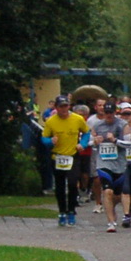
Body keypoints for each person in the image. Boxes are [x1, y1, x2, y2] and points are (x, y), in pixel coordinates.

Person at [42, 94, 90, 226]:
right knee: (60, 186)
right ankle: (62, 211)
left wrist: (83, 144)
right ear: (56, 108)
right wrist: (50, 141)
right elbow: (44, 138)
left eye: (66, 106)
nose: (64, 109)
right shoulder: (51, 121)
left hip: (72, 156)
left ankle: (72, 211)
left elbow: (86, 132)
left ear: (69, 106)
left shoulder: (78, 119)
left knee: (73, 183)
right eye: (61, 107)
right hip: (57, 156)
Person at [90, 101, 131, 231]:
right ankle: (111, 222)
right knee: (107, 191)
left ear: (115, 112)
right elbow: (89, 142)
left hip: (119, 164)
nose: (108, 115)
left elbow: (129, 144)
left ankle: (114, 207)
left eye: (111, 113)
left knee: (117, 195)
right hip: (103, 163)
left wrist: (115, 140)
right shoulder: (97, 125)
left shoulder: (122, 125)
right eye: (106, 112)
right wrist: (95, 142)